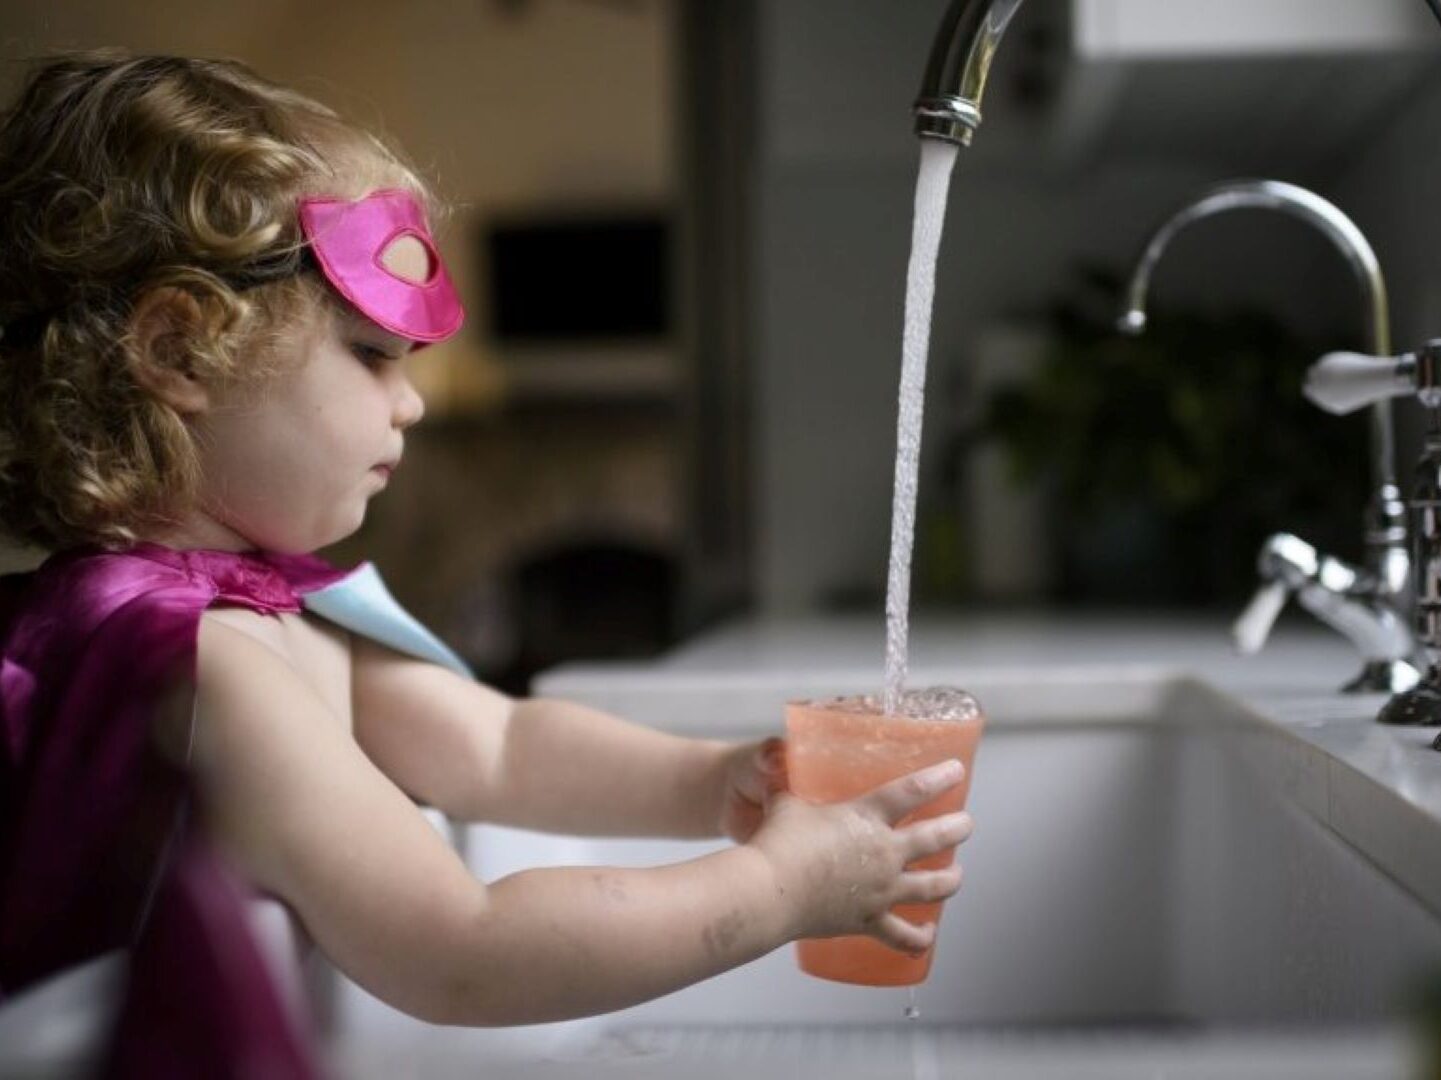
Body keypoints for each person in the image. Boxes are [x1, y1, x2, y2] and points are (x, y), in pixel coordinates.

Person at [0, 51, 973, 1075]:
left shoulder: (258, 614)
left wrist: (712, 783)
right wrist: (781, 892)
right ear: (180, 353)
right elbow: (460, 951)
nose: (410, 401)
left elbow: (497, 746)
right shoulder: (199, 665)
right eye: (371, 355)